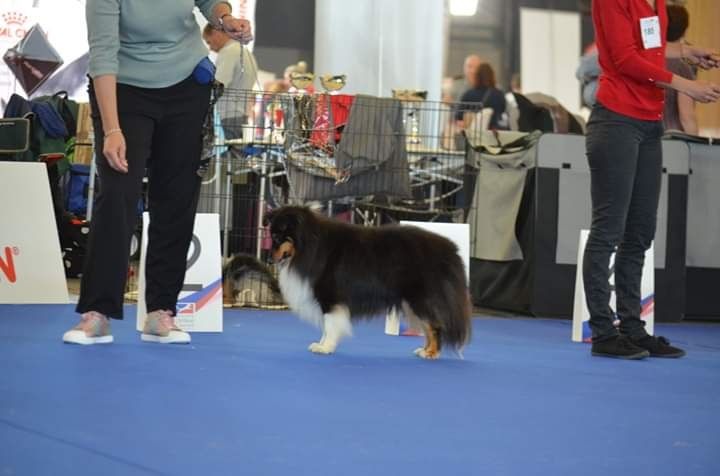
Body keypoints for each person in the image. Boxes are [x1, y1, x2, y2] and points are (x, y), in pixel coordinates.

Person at [63, 0, 253, 345]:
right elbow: (103, 54)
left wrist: (224, 18)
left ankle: (160, 312)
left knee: (177, 197)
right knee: (117, 195)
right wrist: (112, 130)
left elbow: (209, 1)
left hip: (186, 87)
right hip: (124, 89)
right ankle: (97, 313)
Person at [584, 0, 720, 359]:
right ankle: (602, 332)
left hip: (649, 125)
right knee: (608, 231)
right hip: (615, 121)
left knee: (640, 231)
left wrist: (688, 53)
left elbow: (652, 50)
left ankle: (632, 328)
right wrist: (684, 85)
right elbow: (626, 59)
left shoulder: (658, 4)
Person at [663, 5, 698, 134]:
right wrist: (694, 149)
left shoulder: (647, 61)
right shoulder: (682, 68)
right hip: (672, 141)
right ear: (685, 30)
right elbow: (686, 117)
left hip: (642, 136)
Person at [456, 62, 508, 130]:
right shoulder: (499, 94)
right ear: (492, 76)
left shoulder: (468, 94)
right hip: (492, 133)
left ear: (477, 76)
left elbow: (458, 116)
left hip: (473, 134)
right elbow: (503, 112)